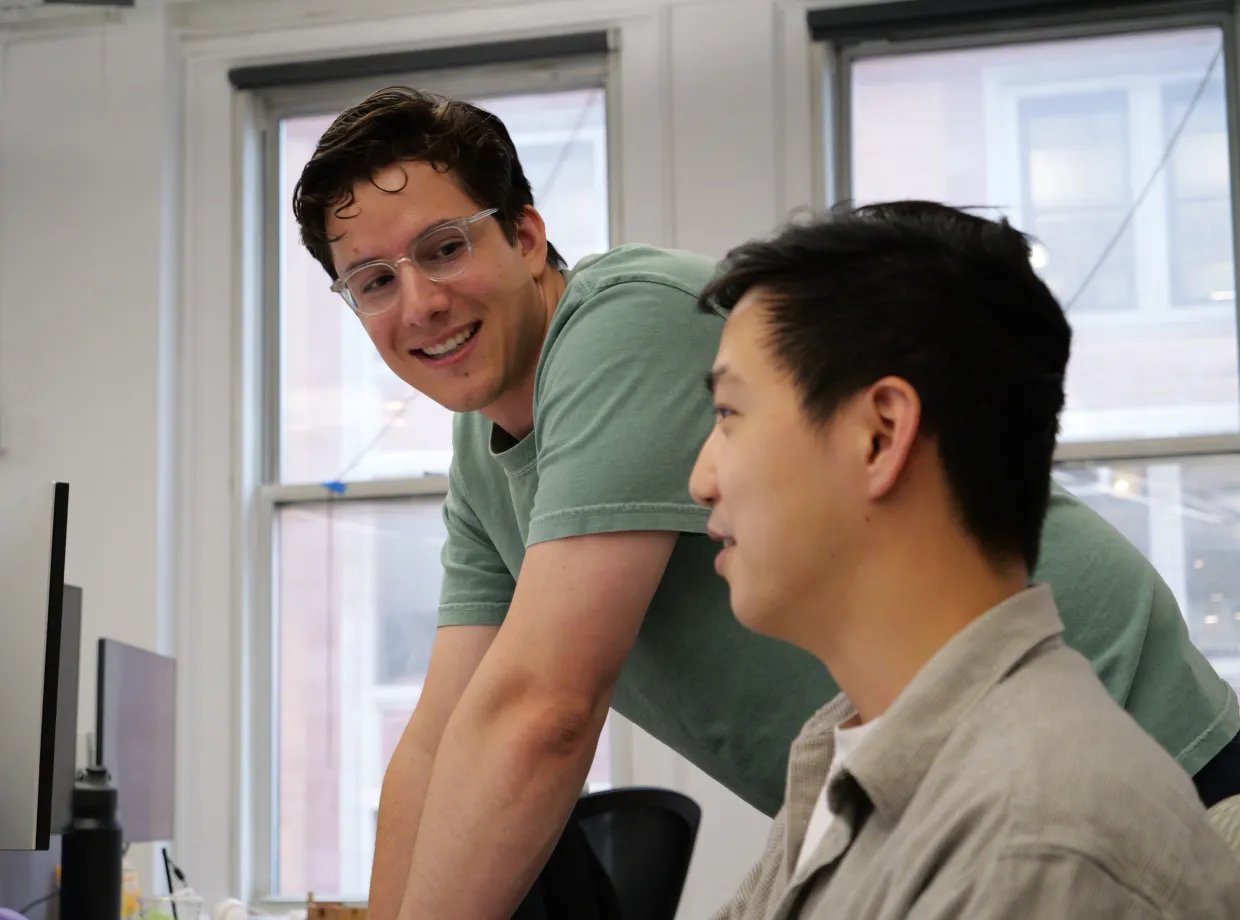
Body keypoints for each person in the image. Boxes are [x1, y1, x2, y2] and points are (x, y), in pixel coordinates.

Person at [290, 86, 1240, 920]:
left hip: (1120, 740)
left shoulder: (622, 324)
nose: (417, 304)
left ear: (527, 236)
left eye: (444, 248)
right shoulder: (482, 449)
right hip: (906, 776)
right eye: (374, 282)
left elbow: (542, 709)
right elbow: (440, 744)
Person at [689, 201, 1240, 919]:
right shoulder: (848, 740)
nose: (701, 479)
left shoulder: (1035, 840)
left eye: (730, 414)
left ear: (881, 436)